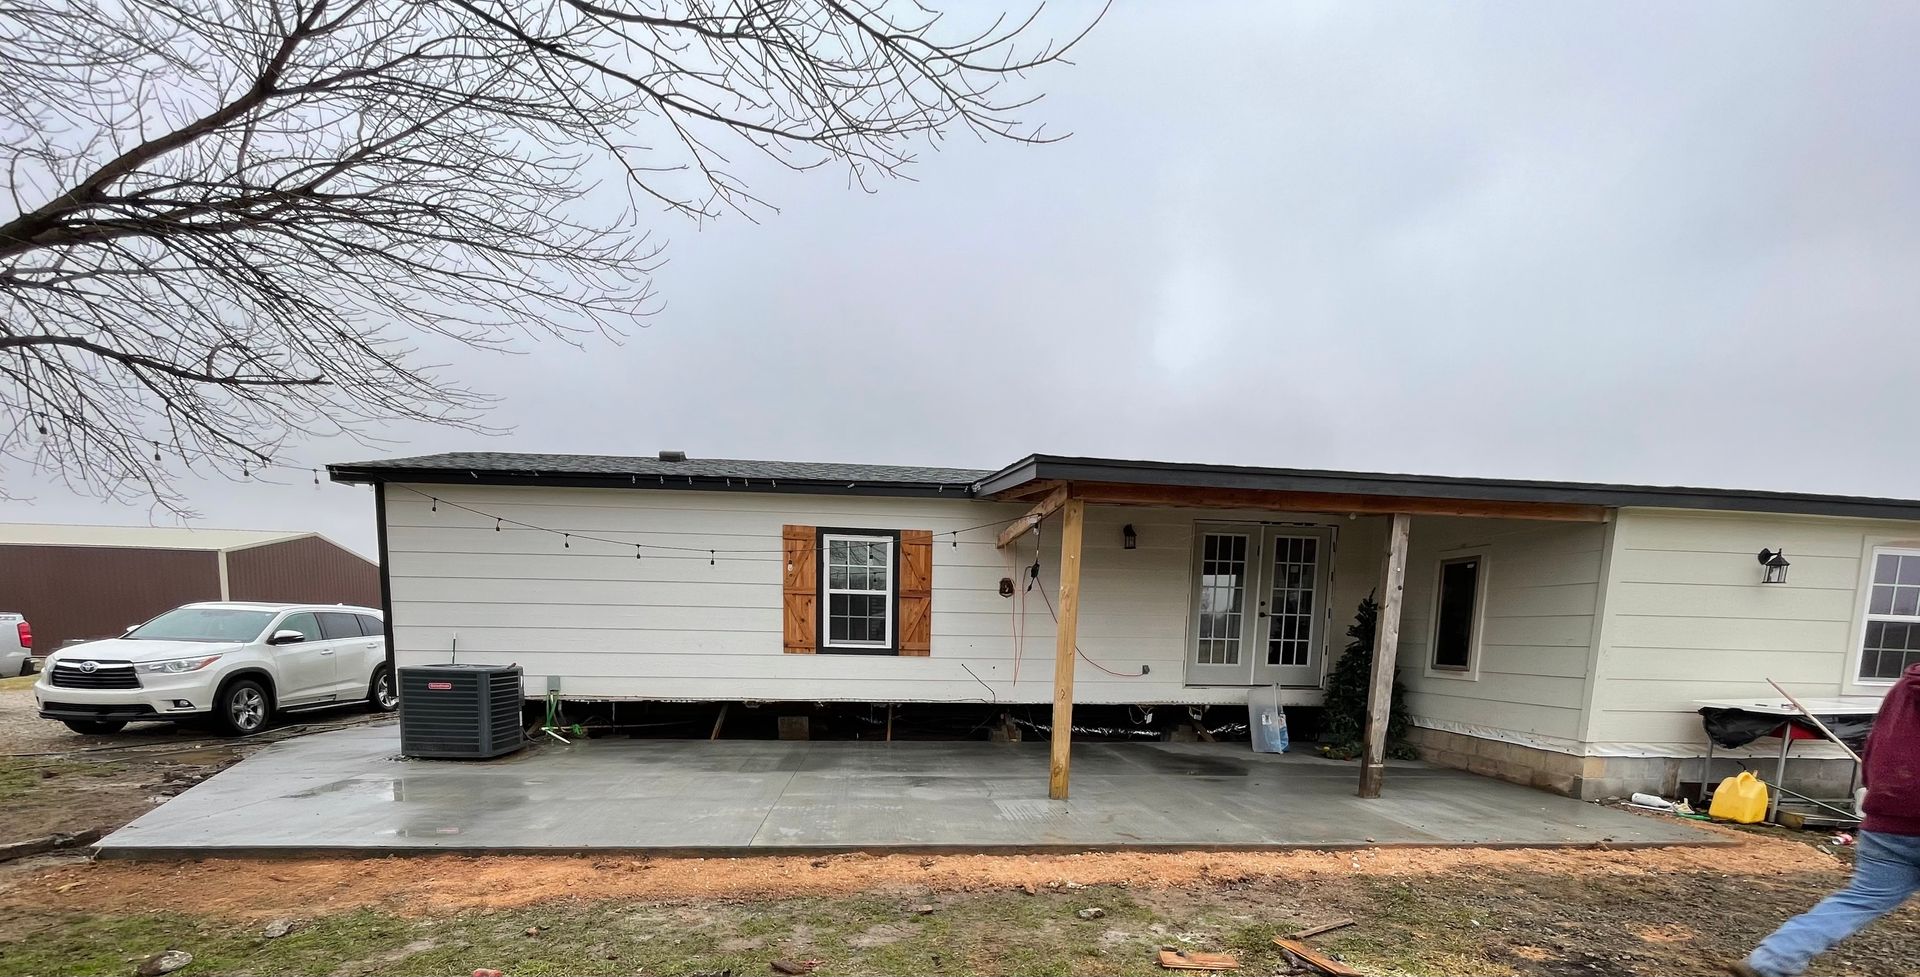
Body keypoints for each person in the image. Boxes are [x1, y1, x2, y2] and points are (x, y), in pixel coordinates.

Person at [1732, 662, 1920, 977]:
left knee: (1860, 898)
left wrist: (1874, 788)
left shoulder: (1904, 687)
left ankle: (1772, 959)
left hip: (1887, 815)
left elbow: (1875, 744)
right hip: (1892, 814)